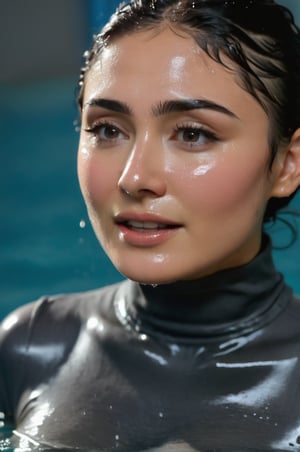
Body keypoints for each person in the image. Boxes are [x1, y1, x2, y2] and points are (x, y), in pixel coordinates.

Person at [1, 0, 300, 450]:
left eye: (193, 134)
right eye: (107, 130)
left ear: (287, 164)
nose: (134, 178)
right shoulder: (32, 347)